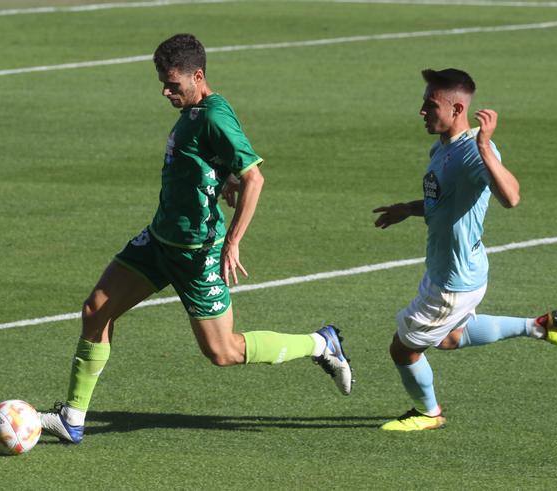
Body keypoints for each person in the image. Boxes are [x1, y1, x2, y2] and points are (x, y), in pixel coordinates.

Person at [39, 33, 352, 443]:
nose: (166, 92)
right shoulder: (194, 111)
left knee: (222, 353)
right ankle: (73, 418)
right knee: (96, 310)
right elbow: (212, 164)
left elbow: (254, 177)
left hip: (197, 253)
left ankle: (320, 344)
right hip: (159, 240)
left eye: (173, 84)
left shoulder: (214, 116)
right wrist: (219, 181)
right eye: (162, 85)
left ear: (198, 76)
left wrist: (234, 240)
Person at [372, 68, 557, 432]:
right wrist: (409, 208)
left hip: (453, 281)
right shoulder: (443, 147)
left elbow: (511, 197)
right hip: (454, 269)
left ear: (457, 108)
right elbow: (445, 201)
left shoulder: (473, 151)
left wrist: (485, 146)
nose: (422, 111)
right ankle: (540, 327)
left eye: (430, 105)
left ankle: (428, 413)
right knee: (451, 338)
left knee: (403, 349)